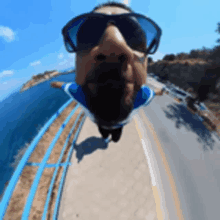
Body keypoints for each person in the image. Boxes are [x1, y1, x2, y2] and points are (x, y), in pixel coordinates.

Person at [51, 2, 163, 142]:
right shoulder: (143, 96)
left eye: (134, 38)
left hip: (102, 124)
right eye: (89, 37)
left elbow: (64, 86)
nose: (114, 43)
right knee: (109, 136)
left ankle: (108, 137)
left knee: (111, 136)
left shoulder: (79, 94)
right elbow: (155, 92)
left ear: (146, 64)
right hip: (118, 125)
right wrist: (161, 91)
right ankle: (107, 137)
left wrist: (54, 83)